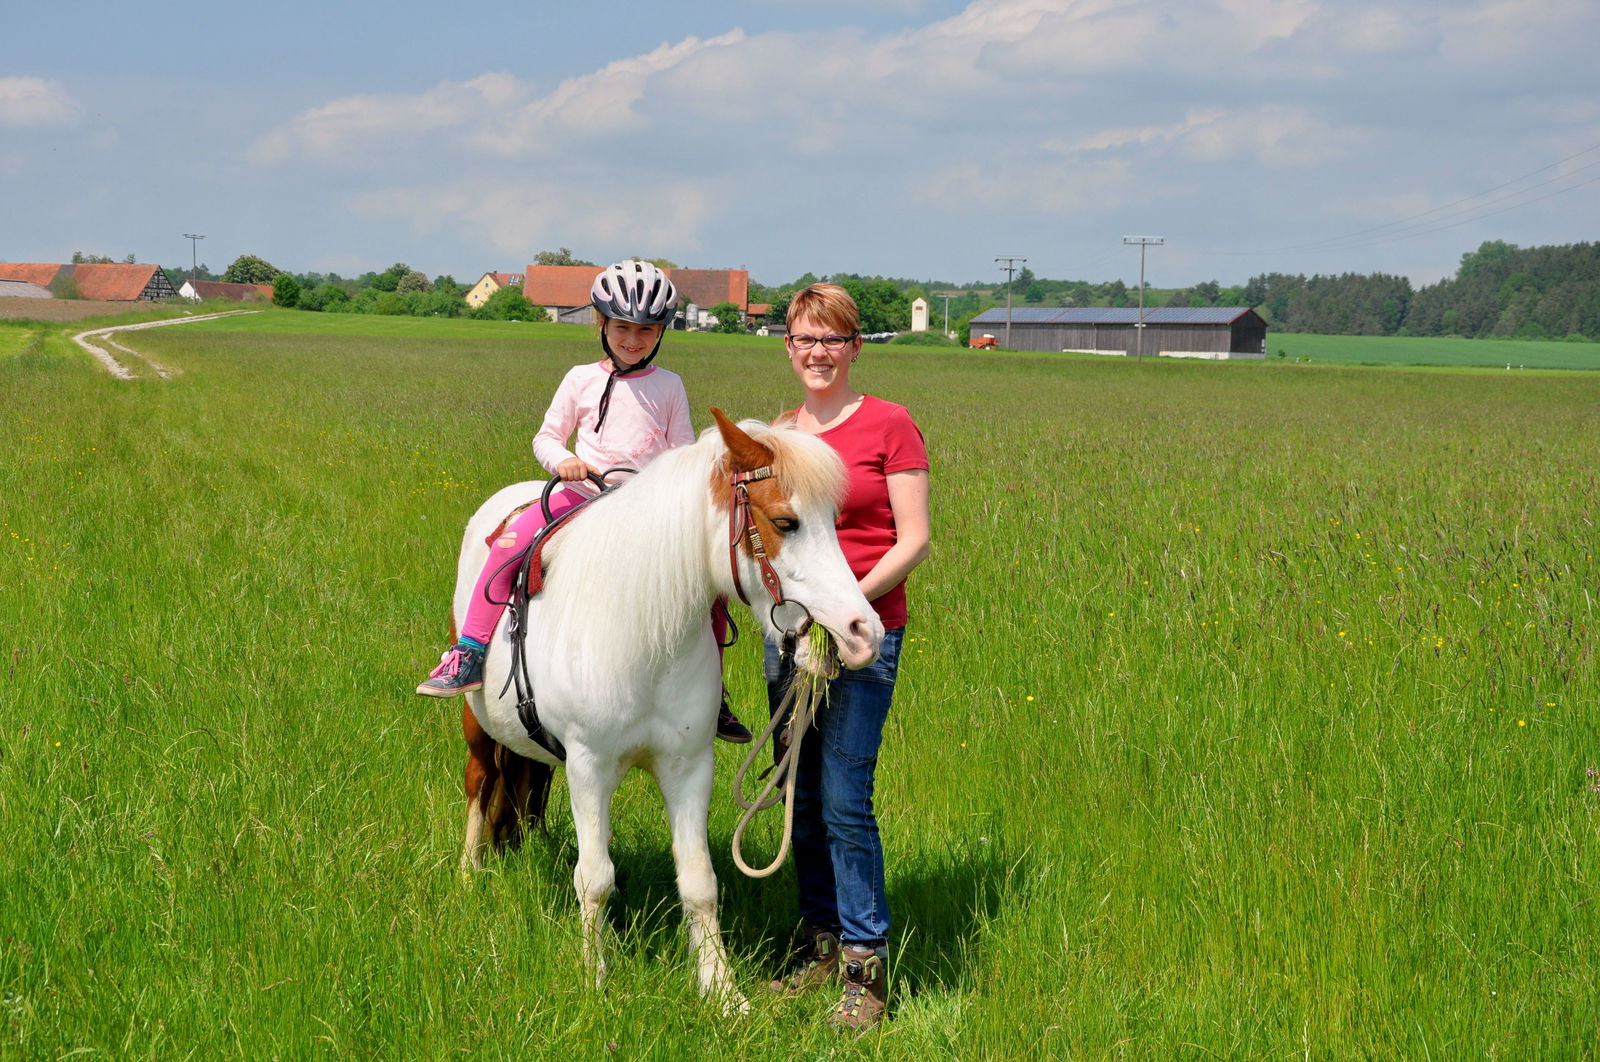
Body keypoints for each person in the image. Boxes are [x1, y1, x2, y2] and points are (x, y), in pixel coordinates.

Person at [416, 260, 753, 742]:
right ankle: (468, 651)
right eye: (622, 328)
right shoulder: (579, 379)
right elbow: (546, 437)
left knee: (707, 585)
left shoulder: (669, 385)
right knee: (511, 541)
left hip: (646, 510)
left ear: (660, 332)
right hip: (582, 495)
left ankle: (713, 693)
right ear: (601, 324)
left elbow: (681, 453)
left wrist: (665, 486)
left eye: (646, 330)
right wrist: (563, 462)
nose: (633, 340)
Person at [765, 283, 930, 1029]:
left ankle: (865, 969)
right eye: (805, 338)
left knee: (844, 803)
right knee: (797, 799)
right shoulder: (776, 436)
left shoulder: (891, 426)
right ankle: (819, 945)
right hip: (792, 642)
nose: (818, 352)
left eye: (832, 339)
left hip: (863, 639)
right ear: (789, 346)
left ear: (855, 347)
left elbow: (913, 538)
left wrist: (843, 611)